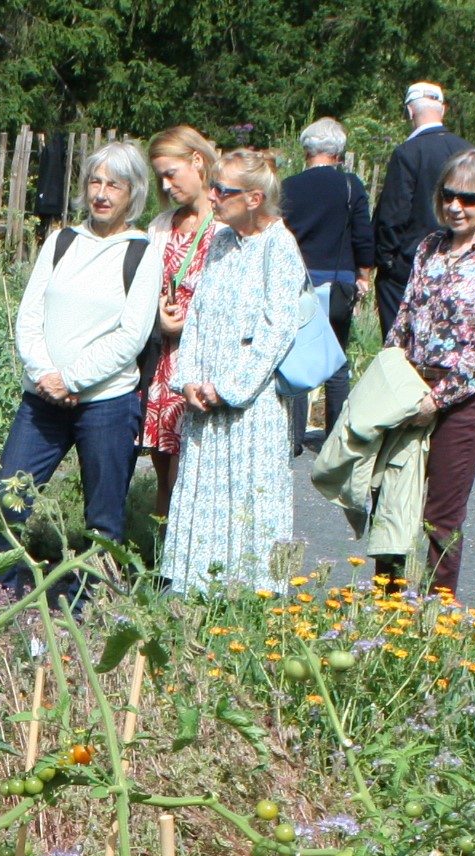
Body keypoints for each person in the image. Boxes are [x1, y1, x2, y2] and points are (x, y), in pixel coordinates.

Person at [0, 141, 164, 580]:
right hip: (42, 402)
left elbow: (133, 334)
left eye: (115, 185)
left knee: (103, 520)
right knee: (8, 501)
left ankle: (93, 606)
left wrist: (73, 378)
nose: (102, 194)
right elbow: (29, 315)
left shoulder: (141, 253)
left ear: (133, 194)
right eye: (95, 181)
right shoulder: (62, 241)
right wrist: (45, 375)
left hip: (107, 404)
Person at [380, 147, 475, 597]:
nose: (456, 207)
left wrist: (437, 400)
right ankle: (382, 608)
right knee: (390, 504)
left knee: (440, 519)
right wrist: (389, 381)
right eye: (449, 195)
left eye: (470, 198)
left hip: (460, 403)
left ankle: (435, 615)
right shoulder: (429, 247)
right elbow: (404, 319)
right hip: (410, 389)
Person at [164, 148, 308, 593]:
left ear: (254, 198)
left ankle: (252, 601)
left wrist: (227, 389)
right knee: (203, 497)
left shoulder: (280, 246)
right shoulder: (223, 240)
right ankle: (196, 594)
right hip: (203, 399)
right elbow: (200, 313)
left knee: (248, 501)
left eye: (221, 190)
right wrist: (186, 378)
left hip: (250, 406)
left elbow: (276, 331)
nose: (212, 196)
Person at [138, 125, 221, 530]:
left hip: (204, 358)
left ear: (198, 161)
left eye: (172, 173)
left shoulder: (226, 226)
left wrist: (194, 322)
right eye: (160, 178)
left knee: (196, 464)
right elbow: (143, 286)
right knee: (164, 464)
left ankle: (193, 546)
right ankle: (160, 553)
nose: (166, 185)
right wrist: (158, 315)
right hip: (164, 361)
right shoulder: (160, 225)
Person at [279, 117, 373, 444]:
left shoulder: (287, 187)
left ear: (306, 150)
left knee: (296, 354)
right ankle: (334, 439)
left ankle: (292, 439)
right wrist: (364, 274)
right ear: (339, 153)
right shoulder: (350, 185)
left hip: (298, 283)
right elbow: (363, 236)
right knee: (336, 358)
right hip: (338, 283)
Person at [373, 83, 469, 341]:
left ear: (409, 112)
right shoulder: (468, 152)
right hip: (460, 259)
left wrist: (385, 260)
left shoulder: (408, 153)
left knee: (400, 346)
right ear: (443, 110)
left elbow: (394, 212)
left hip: (409, 264)